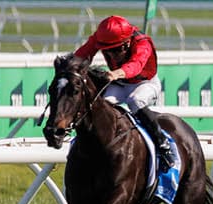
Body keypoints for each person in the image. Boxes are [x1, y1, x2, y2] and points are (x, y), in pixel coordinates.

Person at [72, 15, 172, 166]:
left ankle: (162, 143)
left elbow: (135, 65)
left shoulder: (143, 44)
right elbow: (81, 55)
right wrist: (69, 67)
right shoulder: (100, 38)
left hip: (145, 83)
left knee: (135, 100)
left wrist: (114, 74)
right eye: (107, 51)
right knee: (102, 105)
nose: (111, 55)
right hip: (120, 84)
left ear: (127, 42)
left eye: (115, 50)